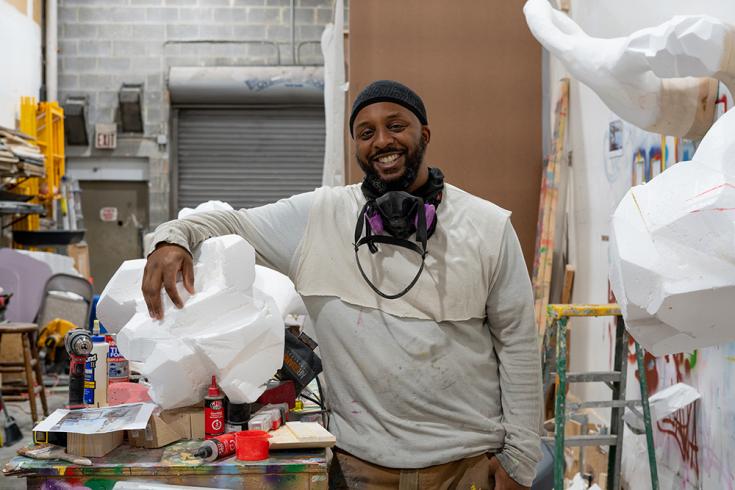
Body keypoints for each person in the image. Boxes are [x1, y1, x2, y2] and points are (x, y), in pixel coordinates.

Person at [142, 80, 542, 489]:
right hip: (360, 470)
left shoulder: (488, 227)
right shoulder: (319, 217)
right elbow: (227, 221)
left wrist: (520, 463)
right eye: (366, 133)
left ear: (424, 134)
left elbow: (519, 344)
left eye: (396, 126)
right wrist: (172, 240)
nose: (382, 140)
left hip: (467, 468)